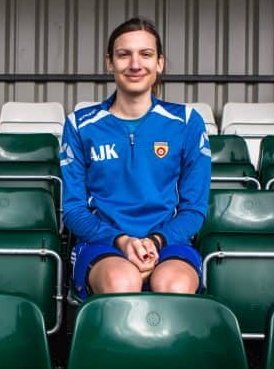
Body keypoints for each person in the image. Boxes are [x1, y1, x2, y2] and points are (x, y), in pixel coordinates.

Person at [60, 17, 211, 300]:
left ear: (160, 63)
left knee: (175, 284)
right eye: (123, 54)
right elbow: (73, 210)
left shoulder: (187, 122)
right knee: (121, 280)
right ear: (109, 62)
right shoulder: (80, 125)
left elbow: (195, 210)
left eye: (145, 54)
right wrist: (122, 241)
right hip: (102, 243)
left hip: (168, 242)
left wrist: (155, 241)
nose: (134, 64)